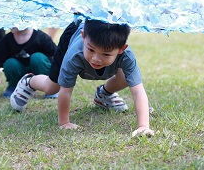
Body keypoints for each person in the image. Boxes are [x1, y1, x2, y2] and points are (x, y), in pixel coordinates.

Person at [10, 18, 154, 137]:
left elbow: (138, 91)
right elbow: (66, 91)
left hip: (99, 35)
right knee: (52, 86)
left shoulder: (127, 55)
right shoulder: (74, 55)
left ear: (122, 49)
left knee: (125, 78)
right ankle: (29, 81)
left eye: (106, 54)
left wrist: (143, 126)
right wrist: (64, 123)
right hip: (72, 35)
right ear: (83, 37)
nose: (96, 59)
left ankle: (104, 95)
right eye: (91, 50)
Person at [0, 27, 58, 98]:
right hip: (20, 72)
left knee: (37, 57)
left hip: (40, 71)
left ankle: (50, 88)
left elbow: (56, 55)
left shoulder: (41, 37)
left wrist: (56, 75)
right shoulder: (6, 40)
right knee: (10, 63)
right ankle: (14, 87)